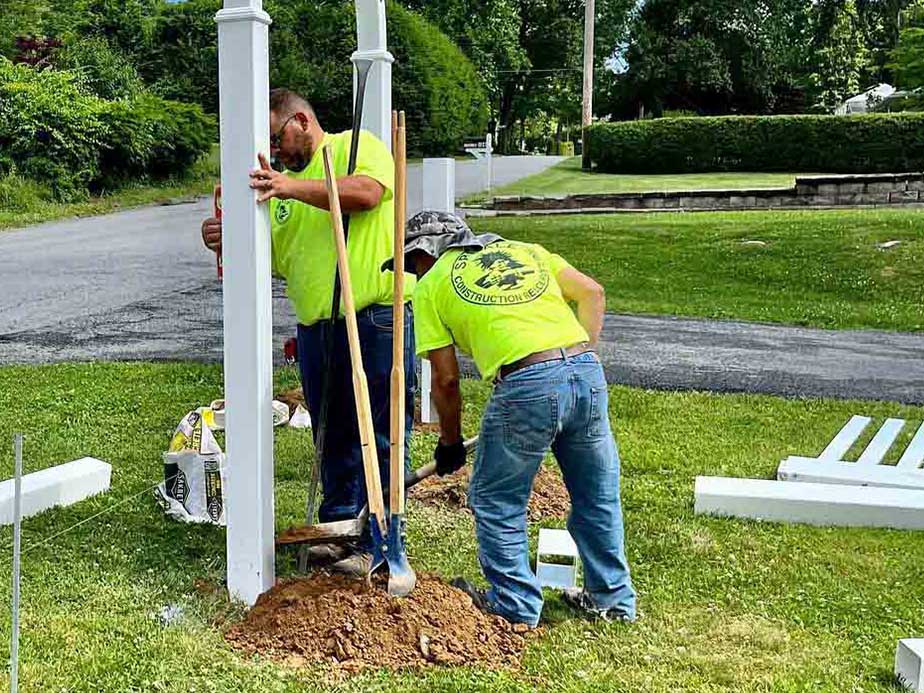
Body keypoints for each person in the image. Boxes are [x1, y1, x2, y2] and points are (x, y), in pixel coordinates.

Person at [201, 89, 414, 574]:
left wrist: (290, 186)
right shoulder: (280, 190)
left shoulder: (355, 147)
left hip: (375, 315)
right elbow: (271, 258)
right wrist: (226, 238)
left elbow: (366, 194)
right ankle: (339, 530)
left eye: (278, 139)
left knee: (378, 432)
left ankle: (381, 539)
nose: (277, 153)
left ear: (300, 120)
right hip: (318, 326)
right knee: (331, 431)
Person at [399, 210, 636, 627]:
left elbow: (446, 380)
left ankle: (515, 605)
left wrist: (450, 442)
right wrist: (572, 360)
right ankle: (612, 601)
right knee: (596, 493)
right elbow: (592, 293)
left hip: (527, 382)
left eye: (411, 263)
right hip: (585, 370)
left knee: (496, 499)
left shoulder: (432, 285)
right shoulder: (526, 251)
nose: (412, 273)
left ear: (426, 253)